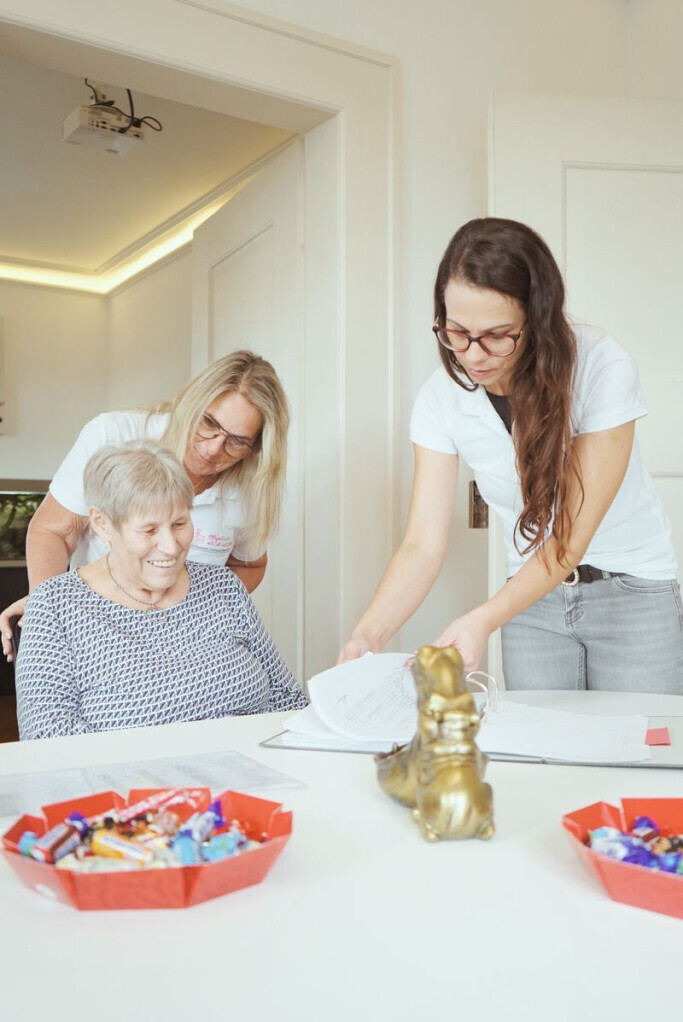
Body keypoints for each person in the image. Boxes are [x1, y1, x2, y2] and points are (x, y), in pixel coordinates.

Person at [339, 217, 683, 693]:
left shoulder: (601, 367)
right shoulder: (441, 398)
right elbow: (422, 543)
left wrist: (483, 618)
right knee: (540, 757)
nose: (473, 355)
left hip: (631, 593)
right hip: (530, 602)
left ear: (537, 319)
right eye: (456, 331)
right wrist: (367, 636)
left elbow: (568, 539)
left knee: (636, 757)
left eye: (497, 335)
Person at [1, 349, 289, 661]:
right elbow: (53, 530)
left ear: (256, 448)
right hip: (97, 630)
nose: (212, 448)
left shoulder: (250, 487)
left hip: (186, 644)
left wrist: (204, 614)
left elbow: (249, 564)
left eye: (237, 441)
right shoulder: (112, 435)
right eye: (208, 423)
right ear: (191, 403)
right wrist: (48, 606)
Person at [15, 441, 306, 739]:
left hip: (251, 774)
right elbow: (47, 738)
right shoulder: (55, 605)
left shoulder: (224, 587)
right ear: (102, 524)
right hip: (130, 783)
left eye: (180, 523)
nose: (171, 546)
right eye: (150, 530)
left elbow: (286, 697)